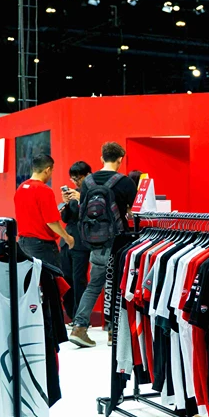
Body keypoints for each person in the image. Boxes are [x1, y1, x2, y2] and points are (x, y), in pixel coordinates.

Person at [70, 141, 138, 348]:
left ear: (101, 158)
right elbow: (132, 211)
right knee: (116, 286)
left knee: (94, 286)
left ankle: (79, 327)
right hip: (118, 241)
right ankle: (112, 332)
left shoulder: (88, 182)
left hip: (96, 241)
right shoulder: (126, 182)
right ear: (120, 159)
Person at [14, 153, 74, 271]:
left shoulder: (20, 188)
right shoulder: (44, 190)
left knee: (30, 279)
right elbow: (51, 222)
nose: (51, 175)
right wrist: (67, 237)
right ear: (47, 170)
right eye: (52, 171)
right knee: (53, 279)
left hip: (23, 244)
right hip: (42, 246)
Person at [60, 161, 92, 321]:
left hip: (82, 242)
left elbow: (93, 215)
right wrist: (66, 203)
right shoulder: (74, 193)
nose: (76, 182)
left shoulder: (93, 193)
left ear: (87, 175)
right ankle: (72, 315)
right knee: (66, 278)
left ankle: (80, 318)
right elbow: (66, 219)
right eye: (73, 179)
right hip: (67, 240)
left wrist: (82, 200)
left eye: (78, 178)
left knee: (79, 280)